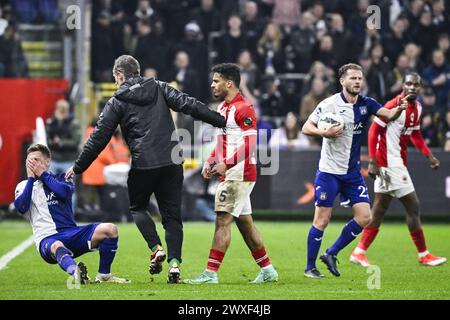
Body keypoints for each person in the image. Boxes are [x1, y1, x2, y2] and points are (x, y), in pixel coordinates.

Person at [65, 55, 226, 284]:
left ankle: (155, 247)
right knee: (172, 218)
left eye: (115, 78)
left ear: (120, 75)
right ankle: (174, 266)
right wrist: (220, 120)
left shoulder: (117, 100)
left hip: (143, 163)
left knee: (138, 208)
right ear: (138, 72)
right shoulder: (160, 87)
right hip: (172, 162)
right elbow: (189, 105)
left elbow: (99, 138)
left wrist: (79, 166)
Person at [301, 63, 408, 278]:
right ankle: (310, 268)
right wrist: (324, 133)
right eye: (353, 78)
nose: (357, 81)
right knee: (322, 219)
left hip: (352, 174)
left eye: (360, 78)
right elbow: (306, 127)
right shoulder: (329, 104)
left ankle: (331, 253)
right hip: (329, 171)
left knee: (364, 217)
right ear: (342, 81)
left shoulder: (366, 104)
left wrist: (399, 108)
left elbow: (387, 114)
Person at [184, 63, 278, 284]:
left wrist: (226, 164)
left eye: (216, 81)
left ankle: (210, 273)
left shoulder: (244, 108)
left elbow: (251, 144)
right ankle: (268, 270)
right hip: (232, 172)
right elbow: (222, 140)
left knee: (222, 220)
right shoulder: (223, 108)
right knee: (245, 224)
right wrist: (210, 160)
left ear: (229, 83)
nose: (212, 85)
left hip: (239, 173)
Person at [350, 73, 447, 267]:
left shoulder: (417, 108)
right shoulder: (393, 105)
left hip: (395, 162)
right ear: (402, 85)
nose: (412, 87)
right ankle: (423, 254)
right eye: (408, 83)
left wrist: (429, 155)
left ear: (419, 88)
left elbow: (416, 134)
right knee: (413, 206)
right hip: (389, 163)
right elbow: (373, 131)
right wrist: (372, 161)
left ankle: (359, 252)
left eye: (416, 84)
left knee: (379, 210)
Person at [14, 144, 129, 284]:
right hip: (47, 239)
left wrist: (43, 175)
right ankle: (76, 272)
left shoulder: (63, 177)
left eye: (36, 160)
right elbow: (21, 207)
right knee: (57, 245)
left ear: (47, 162)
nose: (32, 164)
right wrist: (31, 179)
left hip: (72, 233)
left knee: (110, 229)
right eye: (29, 160)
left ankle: (104, 275)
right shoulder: (23, 185)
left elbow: (63, 192)